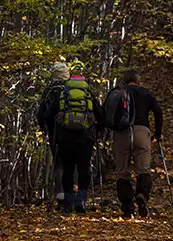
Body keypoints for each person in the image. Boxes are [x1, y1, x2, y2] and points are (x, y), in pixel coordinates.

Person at [39, 65, 102, 214]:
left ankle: (65, 200)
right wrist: (98, 130)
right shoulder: (84, 90)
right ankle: (80, 200)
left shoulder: (51, 91)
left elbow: (44, 114)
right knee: (82, 168)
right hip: (86, 135)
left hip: (62, 136)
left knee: (64, 166)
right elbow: (100, 113)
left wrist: (47, 128)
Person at [105, 70, 163, 218]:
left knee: (122, 172)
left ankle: (127, 208)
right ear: (138, 81)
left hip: (121, 134)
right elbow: (158, 111)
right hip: (141, 133)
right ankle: (142, 194)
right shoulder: (145, 93)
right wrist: (158, 132)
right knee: (143, 169)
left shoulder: (118, 93)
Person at [35, 62, 71, 209]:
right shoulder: (74, 89)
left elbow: (41, 114)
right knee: (73, 163)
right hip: (77, 132)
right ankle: (76, 196)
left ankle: (61, 196)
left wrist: (44, 128)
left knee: (59, 163)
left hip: (55, 133)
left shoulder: (50, 90)